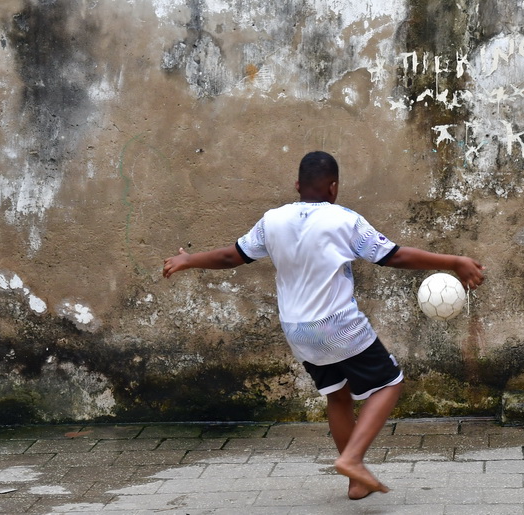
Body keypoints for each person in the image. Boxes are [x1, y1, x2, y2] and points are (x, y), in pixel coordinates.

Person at [163, 151, 485, 500]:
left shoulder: (272, 220)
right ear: (334, 187)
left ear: (297, 185)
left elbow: (232, 256)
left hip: (298, 330)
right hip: (337, 325)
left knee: (338, 395)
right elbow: (393, 256)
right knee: (390, 384)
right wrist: (454, 260)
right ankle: (353, 460)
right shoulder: (344, 219)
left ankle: (356, 480)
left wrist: (187, 260)